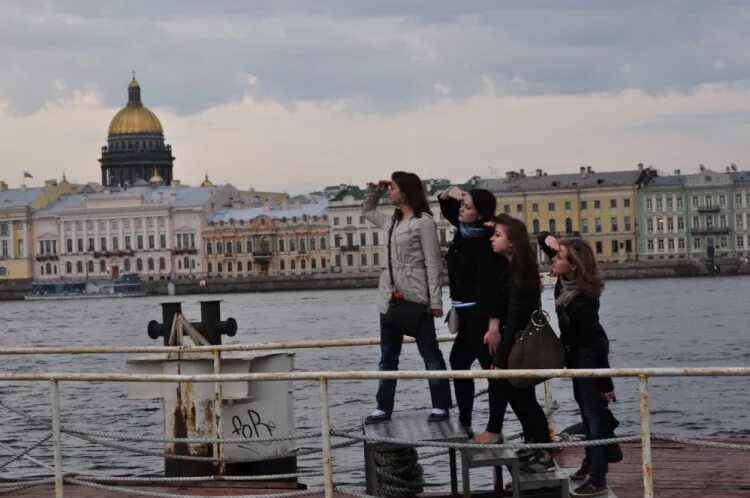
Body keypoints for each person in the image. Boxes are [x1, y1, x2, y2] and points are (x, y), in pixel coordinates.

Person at [362, 171, 452, 424]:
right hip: (389, 298)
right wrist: (374, 191)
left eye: (392, 188)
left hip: (416, 297)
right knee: (387, 357)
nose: (389, 192)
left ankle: (440, 405)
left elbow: (434, 263)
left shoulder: (423, 222)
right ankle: (383, 407)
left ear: (405, 192)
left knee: (430, 354)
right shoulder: (392, 222)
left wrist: (435, 301)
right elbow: (367, 212)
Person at [538, 232, 619, 497]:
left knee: (593, 417)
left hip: (588, 357)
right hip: (576, 354)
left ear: (573, 265)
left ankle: (598, 478)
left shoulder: (583, 300)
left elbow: (595, 341)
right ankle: (590, 463)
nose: (553, 261)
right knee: (587, 414)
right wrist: (546, 239)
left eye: (559, 258)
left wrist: (605, 382)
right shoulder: (566, 280)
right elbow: (546, 245)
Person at [488, 214, 555, 473]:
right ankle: (535, 445)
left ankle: (544, 453)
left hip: (520, 345)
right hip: (520, 342)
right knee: (522, 399)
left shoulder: (520, 275)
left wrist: (498, 361)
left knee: (523, 400)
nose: (492, 239)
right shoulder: (517, 268)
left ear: (512, 242)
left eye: (497, 235)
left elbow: (514, 321)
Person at [439, 186, 506, 440]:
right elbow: (447, 207)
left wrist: (493, 326)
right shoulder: (464, 232)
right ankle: (465, 420)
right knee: (458, 363)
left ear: (479, 215)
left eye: (466, 207)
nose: (460, 210)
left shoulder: (488, 241)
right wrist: (449, 194)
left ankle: (494, 429)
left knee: (493, 373)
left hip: (482, 316)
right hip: (465, 315)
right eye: (462, 206)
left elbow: (492, 287)